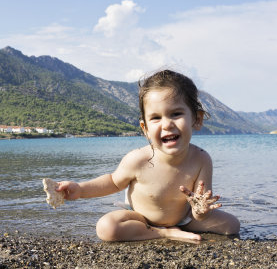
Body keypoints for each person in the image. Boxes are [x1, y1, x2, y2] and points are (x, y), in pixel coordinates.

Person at [55, 69, 240, 242]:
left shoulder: (201, 159)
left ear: (196, 119)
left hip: (184, 219)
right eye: (156, 118)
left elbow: (201, 203)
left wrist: (200, 212)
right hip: (140, 218)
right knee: (107, 227)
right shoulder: (138, 159)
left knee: (231, 225)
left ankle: (177, 229)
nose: (167, 124)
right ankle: (161, 233)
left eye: (176, 114)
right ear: (145, 129)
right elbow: (112, 182)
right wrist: (80, 189)